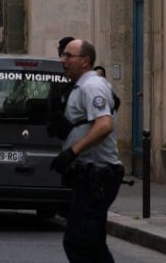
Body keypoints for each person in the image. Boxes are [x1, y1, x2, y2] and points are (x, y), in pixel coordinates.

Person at [51, 39, 123, 263]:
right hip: (89, 174)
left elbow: (104, 125)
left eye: (68, 56)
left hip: (99, 175)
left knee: (78, 242)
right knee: (92, 244)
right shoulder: (80, 86)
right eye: (63, 55)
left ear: (85, 61)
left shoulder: (92, 86)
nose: (63, 61)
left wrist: (72, 152)